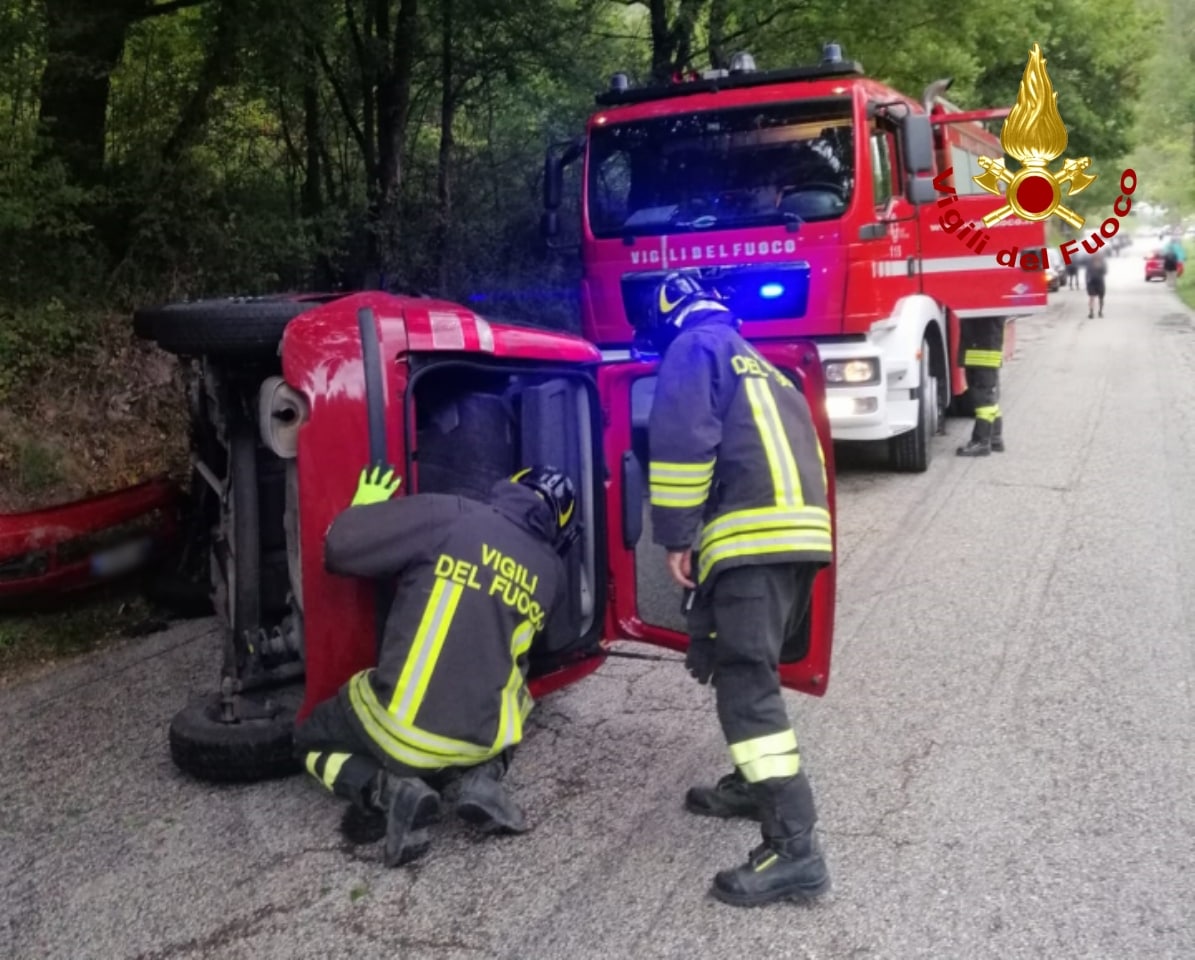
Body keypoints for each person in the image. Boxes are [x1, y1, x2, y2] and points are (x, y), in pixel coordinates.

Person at [639, 272, 834, 908]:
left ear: (672, 316)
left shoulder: (692, 349)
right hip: (799, 543)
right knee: (750, 673)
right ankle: (755, 786)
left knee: (747, 688)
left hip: (751, 545)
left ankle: (795, 850)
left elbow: (682, 443)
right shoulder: (771, 370)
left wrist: (675, 536)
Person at [293, 463, 580, 867]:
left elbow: (339, 547)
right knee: (516, 691)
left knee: (310, 739)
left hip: (399, 731)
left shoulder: (450, 514)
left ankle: (386, 789)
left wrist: (364, 509)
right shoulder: (552, 574)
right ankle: (481, 779)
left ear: (511, 485)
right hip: (480, 742)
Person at [956, 315, 1007, 457]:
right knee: (988, 396)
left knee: (982, 398)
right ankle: (994, 438)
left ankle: (981, 441)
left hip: (981, 348)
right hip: (984, 348)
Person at [1086, 250, 1107, 319]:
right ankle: (1091, 312)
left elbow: (1105, 271)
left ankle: (1100, 311)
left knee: (1101, 298)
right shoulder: (1090, 262)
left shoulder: (1102, 262)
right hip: (1091, 282)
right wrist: (1087, 281)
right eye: (1095, 254)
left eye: (1097, 254)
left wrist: (1100, 267)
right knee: (1091, 297)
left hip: (1100, 282)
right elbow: (1087, 272)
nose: (1096, 255)